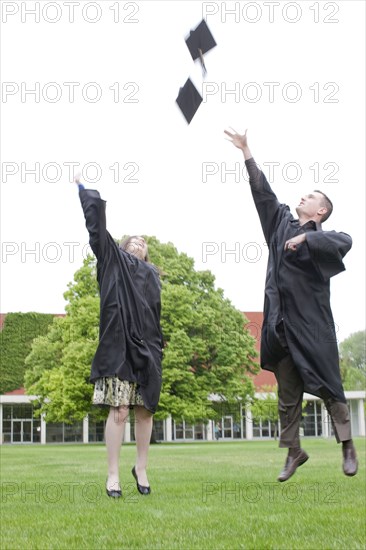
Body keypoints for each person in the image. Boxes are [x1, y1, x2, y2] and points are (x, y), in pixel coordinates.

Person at [224, 129, 358, 481]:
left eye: (311, 195)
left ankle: (346, 445)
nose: (304, 195)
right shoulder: (280, 222)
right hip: (280, 325)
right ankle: (294, 451)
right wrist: (246, 151)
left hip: (313, 326)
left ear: (322, 210)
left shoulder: (325, 237)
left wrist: (308, 238)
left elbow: (346, 242)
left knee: (330, 385)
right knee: (287, 395)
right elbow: (262, 193)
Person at [75, 176, 163, 497]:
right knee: (120, 409)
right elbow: (97, 229)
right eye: (133, 241)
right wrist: (86, 193)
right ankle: (113, 474)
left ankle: (141, 467)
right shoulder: (112, 261)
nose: (138, 243)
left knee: (145, 410)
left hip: (149, 350)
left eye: (144, 243)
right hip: (119, 345)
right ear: (123, 246)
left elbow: (155, 317)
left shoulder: (152, 276)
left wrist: (157, 352)